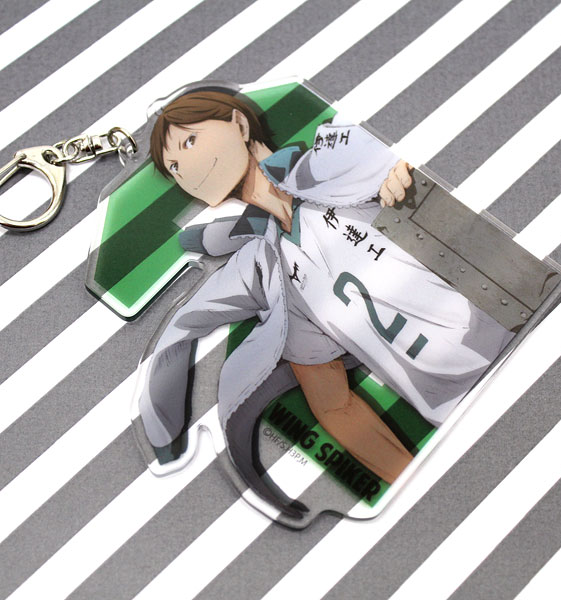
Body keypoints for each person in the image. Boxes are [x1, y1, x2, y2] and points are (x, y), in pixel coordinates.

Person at [137, 90, 509, 516]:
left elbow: (382, 158)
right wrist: (421, 493)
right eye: (174, 168)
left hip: (510, 342)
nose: (187, 171)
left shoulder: (334, 159)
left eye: (190, 142)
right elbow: (335, 406)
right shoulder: (269, 271)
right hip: (457, 416)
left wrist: (399, 173)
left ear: (239, 124)